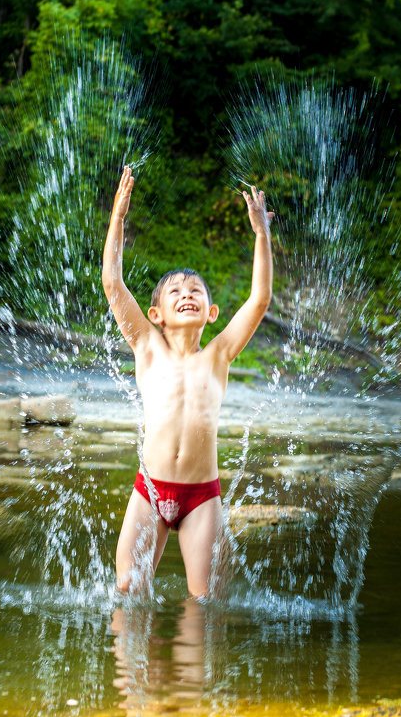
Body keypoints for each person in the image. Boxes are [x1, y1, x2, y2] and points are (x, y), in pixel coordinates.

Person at [102, 165, 273, 599]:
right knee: (128, 591)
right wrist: (118, 218)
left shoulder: (218, 354)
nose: (187, 294)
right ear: (156, 313)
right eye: (175, 291)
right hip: (150, 489)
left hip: (202, 496)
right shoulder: (146, 345)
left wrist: (260, 235)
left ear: (211, 314)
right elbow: (112, 282)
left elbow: (259, 300)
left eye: (196, 290)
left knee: (205, 606)